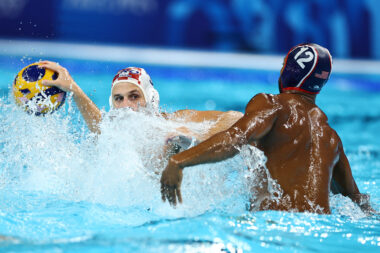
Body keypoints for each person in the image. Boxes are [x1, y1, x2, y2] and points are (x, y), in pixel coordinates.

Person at [160, 43, 374, 214]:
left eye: (283, 65)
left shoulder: (272, 105)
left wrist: (179, 161)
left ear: (289, 70)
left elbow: (234, 139)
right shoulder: (331, 138)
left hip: (274, 227)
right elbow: (358, 203)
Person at [38, 61, 243, 151]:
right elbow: (100, 126)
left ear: (151, 99)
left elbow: (235, 117)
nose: (126, 106)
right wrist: (74, 89)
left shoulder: (172, 122)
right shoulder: (116, 133)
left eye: (134, 96)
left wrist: (198, 136)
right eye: (119, 99)